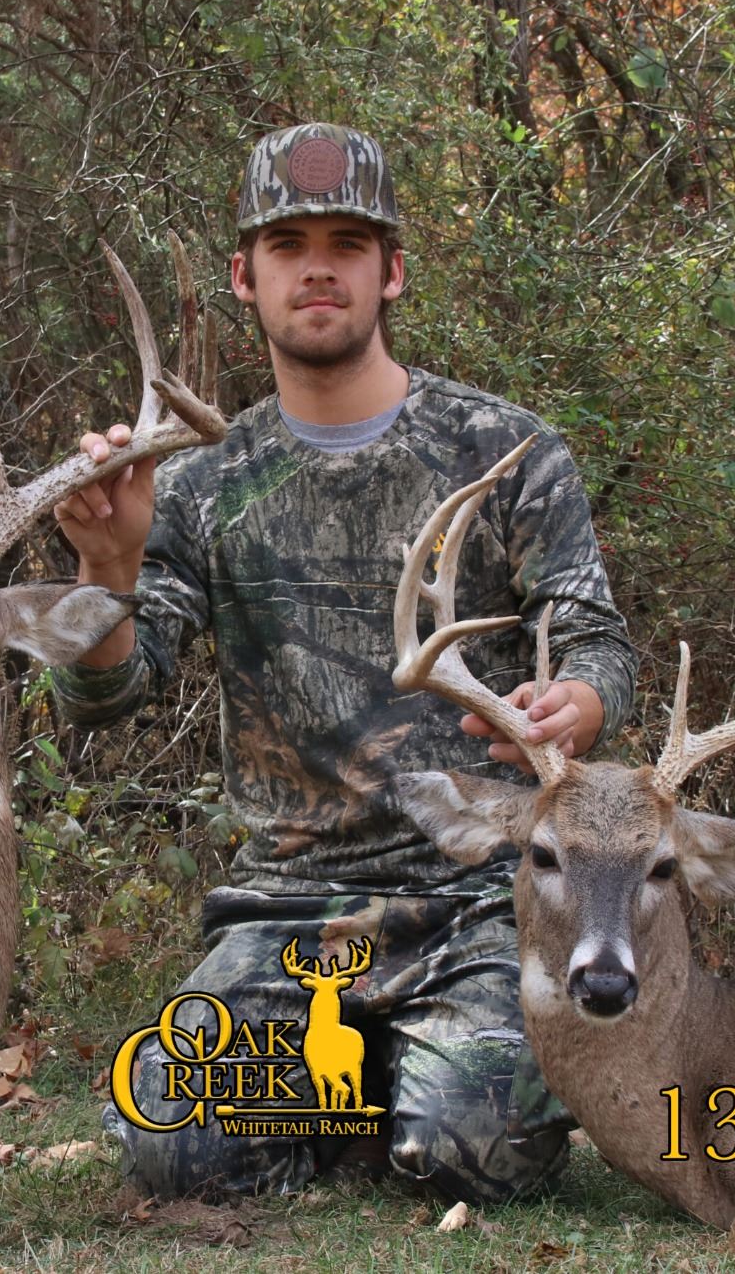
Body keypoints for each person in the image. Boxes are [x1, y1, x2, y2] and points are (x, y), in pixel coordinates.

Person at [51, 123, 637, 1206]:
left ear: (391, 270)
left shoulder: (506, 451)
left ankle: (402, 1093)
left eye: (347, 244)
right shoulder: (202, 483)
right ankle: (371, 1089)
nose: (317, 268)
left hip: (479, 900)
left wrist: (582, 702)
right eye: (288, 244)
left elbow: (596, 635)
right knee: (170, 1143)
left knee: (480, 1146)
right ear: (246, 276)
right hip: (285, 913)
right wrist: (106, 565)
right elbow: (107, 693)